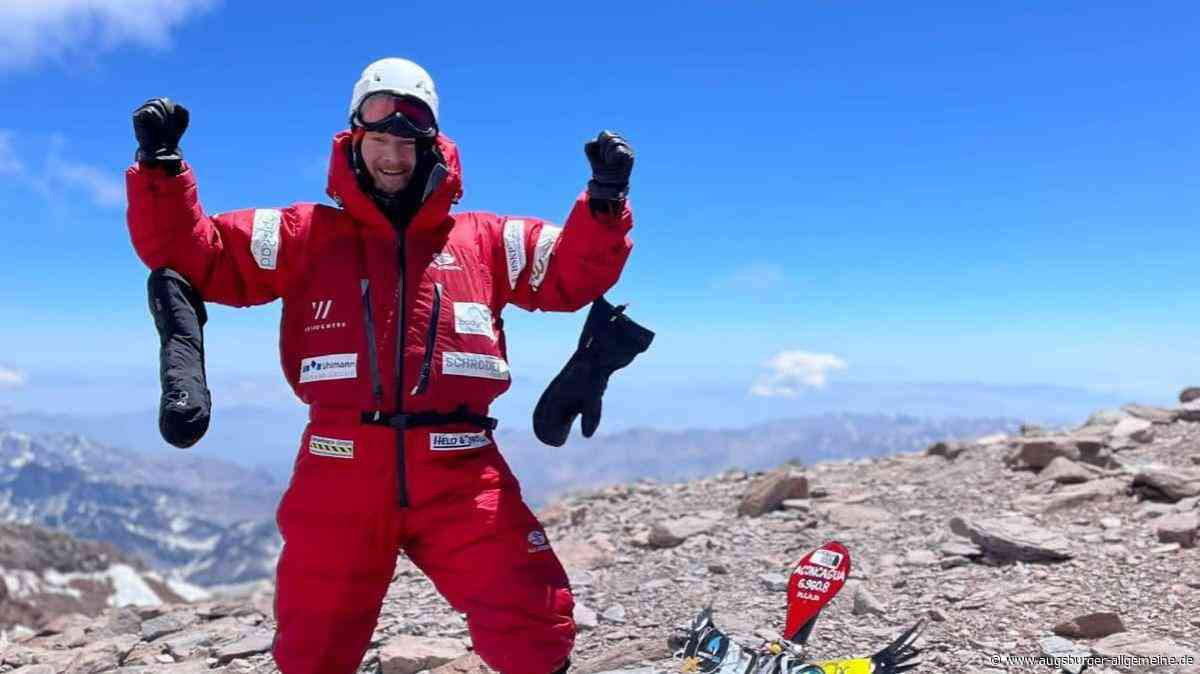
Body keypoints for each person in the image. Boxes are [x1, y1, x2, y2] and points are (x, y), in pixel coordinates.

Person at [125, 57, 635, 674]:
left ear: (431, 147)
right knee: (313, 650)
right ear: (354, 142)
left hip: (462, 471)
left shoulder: (480, 239)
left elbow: (569, 275)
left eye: (406, 142)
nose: (392, 156)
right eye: (379, 140)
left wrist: (604, 201)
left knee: (535, 618)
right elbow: (193, 255)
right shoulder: (304, 234)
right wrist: (162, 170)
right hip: (338, 469)